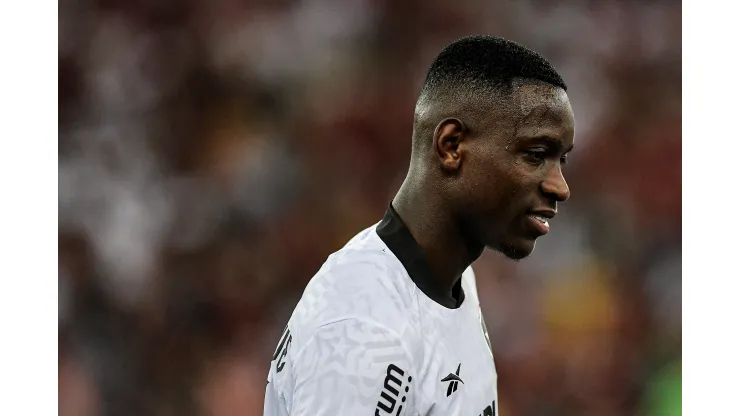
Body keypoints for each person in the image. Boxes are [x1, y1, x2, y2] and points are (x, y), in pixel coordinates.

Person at [263, 35, 575, 416]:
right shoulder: (363, 332)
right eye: (536, 155)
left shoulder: (451, 278)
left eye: (562, 160)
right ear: (451, 145)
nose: (560, 187)